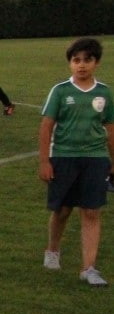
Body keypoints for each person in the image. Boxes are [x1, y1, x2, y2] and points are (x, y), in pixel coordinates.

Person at [38, 38, 114, 286]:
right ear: (70, 63)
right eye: (76, 60)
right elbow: (46, 127)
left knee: (91, 211)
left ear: (96, 63)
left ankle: (89, 268)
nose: (81, 65)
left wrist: (113, 161)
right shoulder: (60, 91)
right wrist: (44, 162)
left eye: (87, 60)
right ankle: (52, 250)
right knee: (62, 210)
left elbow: (110, 128)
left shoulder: (104, 92)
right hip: (63, 157)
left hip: (95, 159)